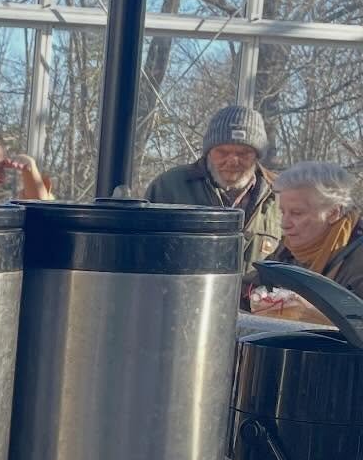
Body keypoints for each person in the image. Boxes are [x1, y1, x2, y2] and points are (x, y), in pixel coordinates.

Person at [144, 104, 280, 275]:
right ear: (208, 152)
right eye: (222, 152)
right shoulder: (169, 187)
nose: (232, 161)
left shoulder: (281, 194)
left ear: (257, 156)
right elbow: (144, 253)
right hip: (182, 291)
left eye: (243, 153)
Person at [249, 161, 363, 320]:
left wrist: (319, 316)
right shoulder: (288, 249)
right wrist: (255, 297)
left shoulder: (358, 257)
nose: (284, 224)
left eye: (297, 213)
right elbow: (251, 284)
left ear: (333, 213)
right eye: (283, 212)